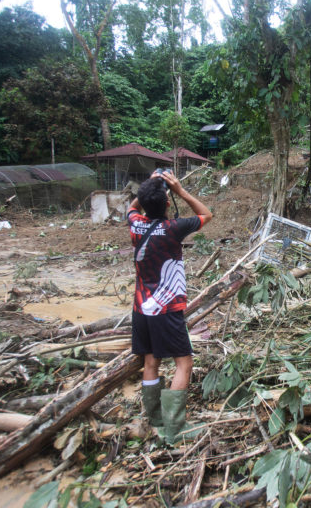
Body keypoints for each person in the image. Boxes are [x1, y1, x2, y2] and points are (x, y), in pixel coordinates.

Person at [128, 169, 212, 444]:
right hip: (167, 309)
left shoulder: (134, 223)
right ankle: (173, 429)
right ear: (167, 203)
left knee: (151, 361)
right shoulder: (174, 228)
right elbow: (206, 214)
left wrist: (148, 187)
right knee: (183, 364)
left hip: (141, 309)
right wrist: (179, 190)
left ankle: (154, 419)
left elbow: (132, 207)